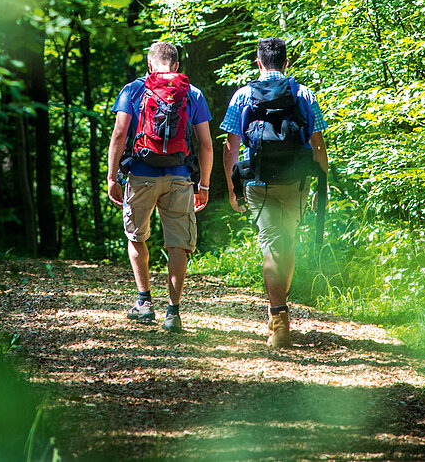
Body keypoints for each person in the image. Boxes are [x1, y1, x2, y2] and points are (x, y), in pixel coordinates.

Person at [221, 37, 328, 348]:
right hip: (296, 182)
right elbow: (317, 143)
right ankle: (280, 311)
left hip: (258, 183)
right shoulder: (303, 93)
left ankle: (278, 318)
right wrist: (320, 184)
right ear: (286, 62)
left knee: (270, 245)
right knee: (288, 241)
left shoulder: (243, 95)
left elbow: (231, 147)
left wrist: (232, 186)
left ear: (258, 62)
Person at [107, 41, 213, 333]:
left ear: (150, 65)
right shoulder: (192, 93)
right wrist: (203, 184)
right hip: (180, 176)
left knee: (136, 235)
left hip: (141, 174)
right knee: (178, 243)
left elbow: (119, 134)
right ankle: (173, 312)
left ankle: (144, 303)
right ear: (176, 66)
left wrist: (112, 177)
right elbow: (205, 144)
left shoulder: (133, 90)